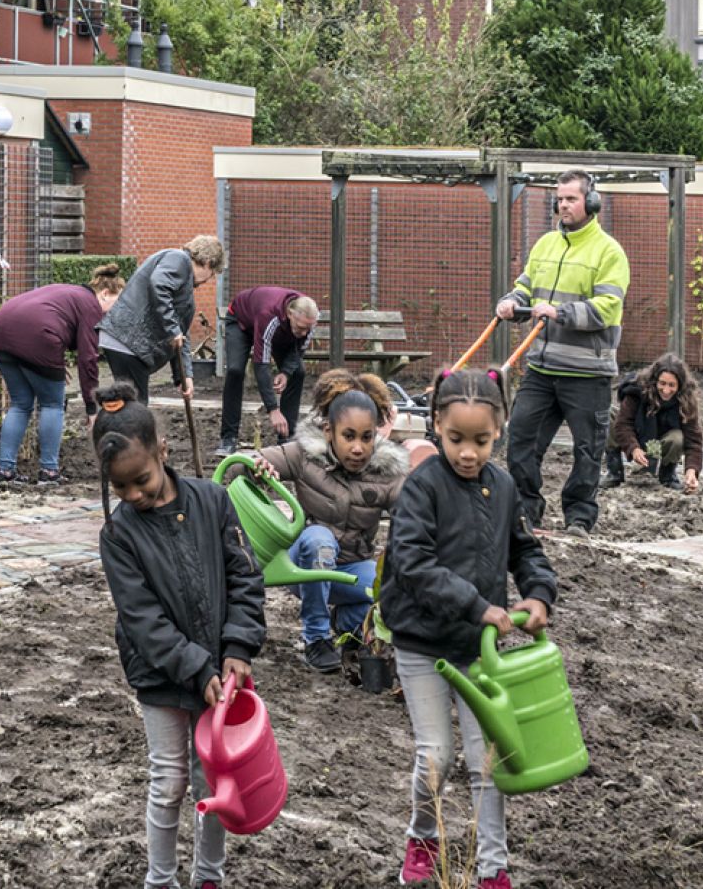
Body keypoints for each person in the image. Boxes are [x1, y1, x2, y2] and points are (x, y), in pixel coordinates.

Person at [379, 367, 558, 889]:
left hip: (481, 654)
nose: (467, 453)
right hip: (423, 645)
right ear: (436, 425)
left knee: (487, 758)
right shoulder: (422, 488)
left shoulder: (502, 487)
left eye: (480, 441)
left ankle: (492, 868)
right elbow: (411, 562)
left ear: (498, 430)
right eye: (456, 439)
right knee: (436, 754)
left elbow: (526, 550)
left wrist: (539, 593)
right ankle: (423, 838)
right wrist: (478, 606)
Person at [91, 381, 264, 889]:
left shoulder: (214, 501)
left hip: (219, 673)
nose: (134, 495)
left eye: (141, 480)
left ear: (162, 451)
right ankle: (159, 879)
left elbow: (246, 577)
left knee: (212, 782)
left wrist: (236, 648)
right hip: (162, 677)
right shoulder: (119, 535)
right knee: (167, 782)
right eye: (120, 488)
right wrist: (194, 666)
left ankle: (208, 876)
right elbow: (142, 619)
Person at [244, 369, 410, 674]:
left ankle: (346, 624)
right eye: (348, 436)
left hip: (351, 569)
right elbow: (240, 468)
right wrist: (259, 468)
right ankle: (317, 638)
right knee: (319, 539)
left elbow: (414, 514)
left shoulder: (386, 473)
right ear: (328, 431)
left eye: (366, 437)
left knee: (390, 591)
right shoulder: (304, 456)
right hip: (305, 566)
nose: (358, 448)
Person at [497, 170, 628, 535]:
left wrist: (561, 313)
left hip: (587, 373)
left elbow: (606, 307)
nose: (563, 205)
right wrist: (511, 302)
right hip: (542, 368)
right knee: (521, 440)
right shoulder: (545, 245)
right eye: (560, 198)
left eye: (571, 198)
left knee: (587, 450)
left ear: (591, 202)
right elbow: (526, 286)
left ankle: (579, 519)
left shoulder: (609, 253)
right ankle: (525, 514)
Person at [0, 264, 126, 484]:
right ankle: (49, 471)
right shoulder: (91, 305)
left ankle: (5, 471)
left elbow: (52, 317)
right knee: (53, 403)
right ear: (105, 293)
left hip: (1, 331)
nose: (111, 314)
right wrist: (92, 410)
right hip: (37, 336)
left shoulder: (70, 292)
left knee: (20, 403)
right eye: (114, 306)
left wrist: (53, 365)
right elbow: (88, 359)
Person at [97, 235, 225, 402]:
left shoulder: (182, 278)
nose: (209, 280)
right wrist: (173, 330)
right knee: (136, 407)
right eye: (212, 274)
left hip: (126, 343)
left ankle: (111, 426)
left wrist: (184, 376)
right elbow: (158, 284)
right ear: (208, 263)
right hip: (128, 342)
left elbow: (181, 334)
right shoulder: (179, 259)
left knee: (129, 404)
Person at [216, 286, 319, 457]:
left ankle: (286, 437)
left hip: (281, 332)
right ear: (290, 314)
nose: (304, 333)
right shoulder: (269, 316)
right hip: (241, 321)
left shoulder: (308, 321)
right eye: (300, 328)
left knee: (298, 372)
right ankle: (228, 438)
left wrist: (285, 373)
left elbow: (298, 351)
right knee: (235, 370)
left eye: (307, 330)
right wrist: (273, 409)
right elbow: (261, 364)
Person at [604, 353, 703, 492]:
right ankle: (614, 472)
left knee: (677, 437)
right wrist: (633, 448)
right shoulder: (636, 390)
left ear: (680, 385)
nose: (666, 390)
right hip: (636, 434)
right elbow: (623, 424)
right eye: (662, 383)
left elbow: (694, 440)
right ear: (655, 381)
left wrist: (691, 471)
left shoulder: (686, 401)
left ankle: (668, 476)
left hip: (658, 444)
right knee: (610, 415)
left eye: (672, 385)